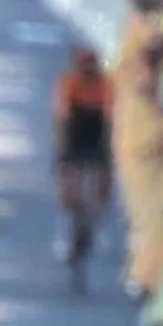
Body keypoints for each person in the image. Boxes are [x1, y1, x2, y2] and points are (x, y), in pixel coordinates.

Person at [53, 47, 117, 289]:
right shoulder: (69, 82)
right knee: (68, 184)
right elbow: (62, 118)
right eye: (84, 65)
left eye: (92, 64)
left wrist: (108, 153)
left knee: (103, 182)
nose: (88, 69)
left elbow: (110, 119)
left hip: (97, 134)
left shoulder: (105, 84)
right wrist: (62, 152)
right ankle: (63, 229)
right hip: (75, 134)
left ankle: (98, 224)